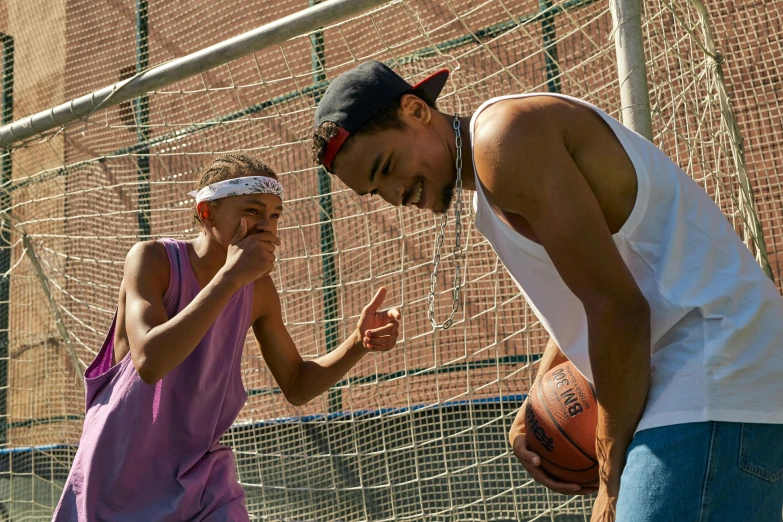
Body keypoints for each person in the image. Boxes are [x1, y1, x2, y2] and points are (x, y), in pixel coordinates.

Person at [310, 61, 783, 522]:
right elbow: (593, 290)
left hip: (715, 372)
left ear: (416, 110)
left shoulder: (503, 141)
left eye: (387, 166)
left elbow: (619, 310)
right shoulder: (490, 172)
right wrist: (536, 396)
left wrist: (609, 474)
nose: (395, 194)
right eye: (376, 190)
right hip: (715, 378)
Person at [52, 153, 401, 521]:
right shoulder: (152, 260)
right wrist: (230, 277)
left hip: (200, 476)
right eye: (252, 211)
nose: (267, 225)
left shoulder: (260, 291)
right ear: (207, 214)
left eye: (275, 214)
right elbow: (150, 362)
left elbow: (297, 384)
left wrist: (356, 344)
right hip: (120, 472)